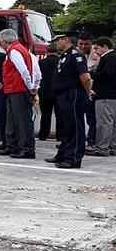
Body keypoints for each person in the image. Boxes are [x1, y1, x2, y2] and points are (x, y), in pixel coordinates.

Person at [44, 33, 92, 168]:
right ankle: (63, 154)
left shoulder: (76, 55)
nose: (55, 44)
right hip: (63, 95)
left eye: (57, 41)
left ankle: (74, 158)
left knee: (74, 127)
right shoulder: (65, 55)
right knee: (66, 127)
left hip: (73, 94)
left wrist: (88, 92)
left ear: (66, 40)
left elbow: (85, 77)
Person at [0, 28, 37, 159]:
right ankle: (12, 145)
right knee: (12, 119)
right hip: (13, 89)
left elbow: (24, 70)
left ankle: (26, 148)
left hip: (18, 89)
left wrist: (30, 87)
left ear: (5, 41)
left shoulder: (14, 51)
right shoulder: (18, 50)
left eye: (0, 41)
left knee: (22, 120)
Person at [87, 37, 115, 157]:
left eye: (97, 48)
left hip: (105, 94)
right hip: (112, 94)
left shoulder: (109, 58)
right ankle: (112, 145)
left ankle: (102, 147)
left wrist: (92, 73)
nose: (96, 51)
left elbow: (106, 75)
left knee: (104, 122)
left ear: (105, 46)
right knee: (112, 123)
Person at [78, 33, 100, 146]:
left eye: (86, 44)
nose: (83, 46)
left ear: (91, 43)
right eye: (80, 44)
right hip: (84, 89)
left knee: (92, 117)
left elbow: (87, 70)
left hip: (92, 89)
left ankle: (92, 139)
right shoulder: (80, 53)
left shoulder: (95, 54)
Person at [38, 44, 61, 141]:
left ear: (46, 51)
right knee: (60, 114)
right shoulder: (60, 62)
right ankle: (60, 134)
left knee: (45, 113)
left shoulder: (41, 62)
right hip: (58, 91)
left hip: (45, 90)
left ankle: (43, 133)